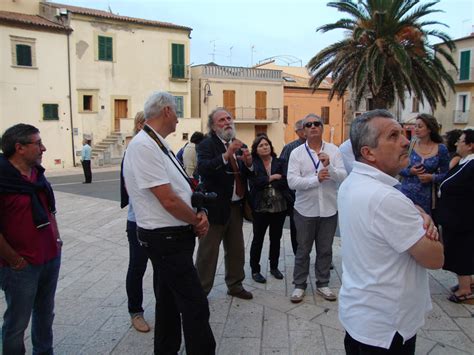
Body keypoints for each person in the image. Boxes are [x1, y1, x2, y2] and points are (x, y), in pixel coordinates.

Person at [338, 109, 444, 354]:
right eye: (393, 136)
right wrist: (427, 224)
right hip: (387, 329)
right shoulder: (385, 198)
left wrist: (416, 213)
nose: (406, 140)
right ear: (368, 153)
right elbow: (436, 259)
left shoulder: (351, 184)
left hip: (362, 319)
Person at [123, 92, 215, 354]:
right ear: (165, 111)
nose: (178, 117)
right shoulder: (144, 146)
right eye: (176, 111)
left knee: (167, 303)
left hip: (173, 236)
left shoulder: (158, 143)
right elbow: (168, 200)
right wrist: (196, 220)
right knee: (195, 305)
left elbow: (181, 187)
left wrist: (199, 209)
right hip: (166, 239)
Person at [0, 123, 62, 355]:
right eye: (37, 143)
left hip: (50, 257)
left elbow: (49, 209)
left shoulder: (38, 175)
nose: (43, 148)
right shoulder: (3, 179)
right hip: (21, 266)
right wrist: (14, 260)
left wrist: (57, 239)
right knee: (17, 322)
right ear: (20, 148)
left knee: (45, 314)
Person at [287, 114, 347, 303]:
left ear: (322, 128)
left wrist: (329, 167)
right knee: (303, 249)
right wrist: (316, 179)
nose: (313, 127)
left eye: (317, 124)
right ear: (303, 131)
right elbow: (291, 182)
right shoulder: (296, 153)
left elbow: (343, 176)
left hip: (329, 209)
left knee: (325, 249)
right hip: (305, 210)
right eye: (308, 124)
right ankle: (299, 285)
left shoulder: (334, 150)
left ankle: (323, 283)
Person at [195, 108, 254, 299]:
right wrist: (226, 155)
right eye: (221, 120)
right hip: (214, 209)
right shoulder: (206, 145)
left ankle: (235, 285)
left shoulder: (240, 144)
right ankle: (200, 292)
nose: (227, 122)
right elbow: (203, 169)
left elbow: (249, 174)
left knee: (236, 250)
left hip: (236, 208)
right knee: (207, 254)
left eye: (229, 118)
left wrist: (249, 163)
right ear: (213, 126)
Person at [120, 111, 150, 332]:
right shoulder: (135, 149)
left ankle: (166, 305)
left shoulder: (153, 147)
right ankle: (135, 312)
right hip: (138, 221)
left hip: (156, 221)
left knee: (160, 267)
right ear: (140, 124)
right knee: (137, 267)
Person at [248, 135, 291, 283]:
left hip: (279, 207)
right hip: (260, 207)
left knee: (275, 238)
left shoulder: (281, 162)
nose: (264, 147)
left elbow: (286, 181)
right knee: (257, 239)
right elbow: (254, 182)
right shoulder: (253, 164)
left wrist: (267, 182)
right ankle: (255, 269)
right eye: (261, 145)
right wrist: (271, 178)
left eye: (266, 144)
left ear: (271, 147)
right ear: (256, 149)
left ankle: (274, 267)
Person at [438, 129, 474, 303]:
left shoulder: (472, 165)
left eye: (460, 140)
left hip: (463, 219)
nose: (456, 143)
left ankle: (465, 289)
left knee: (462, 253)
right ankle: (467, 283)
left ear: (470, 145)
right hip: (455, 217)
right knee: (456, 251)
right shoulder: (463, 162)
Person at [399, 114, 449, 216]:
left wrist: (432, 177)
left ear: (429, 129)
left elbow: (447, 174)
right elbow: (397, 167)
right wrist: (410, 171)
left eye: (420, 126)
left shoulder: (441, 149)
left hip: (426, 198)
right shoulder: (409, 145)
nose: (416, 129)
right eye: (415, 126)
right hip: (405, 193)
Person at [279, 119, 306, 255]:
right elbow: (282, 170)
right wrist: (288, 193)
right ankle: (298, 254)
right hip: (294, 195)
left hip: (313, 194)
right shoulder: (290, 148)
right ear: (297, 132)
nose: (308, 130)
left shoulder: (317, 147)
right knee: (296, 226)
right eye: (304, 127)